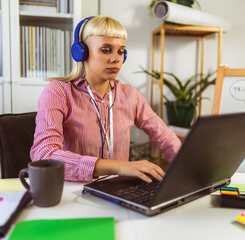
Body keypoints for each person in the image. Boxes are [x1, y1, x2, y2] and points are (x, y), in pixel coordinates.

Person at [30, 15, 181, 183]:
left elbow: (164, 136)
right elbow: (44, 155)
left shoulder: (130, 95)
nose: (116, 58)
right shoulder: (58, 92)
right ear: (81, 52)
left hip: (117, 193)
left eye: (121, 51)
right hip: (74, 192)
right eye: (106, 50)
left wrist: (189, 169)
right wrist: (119, 167)